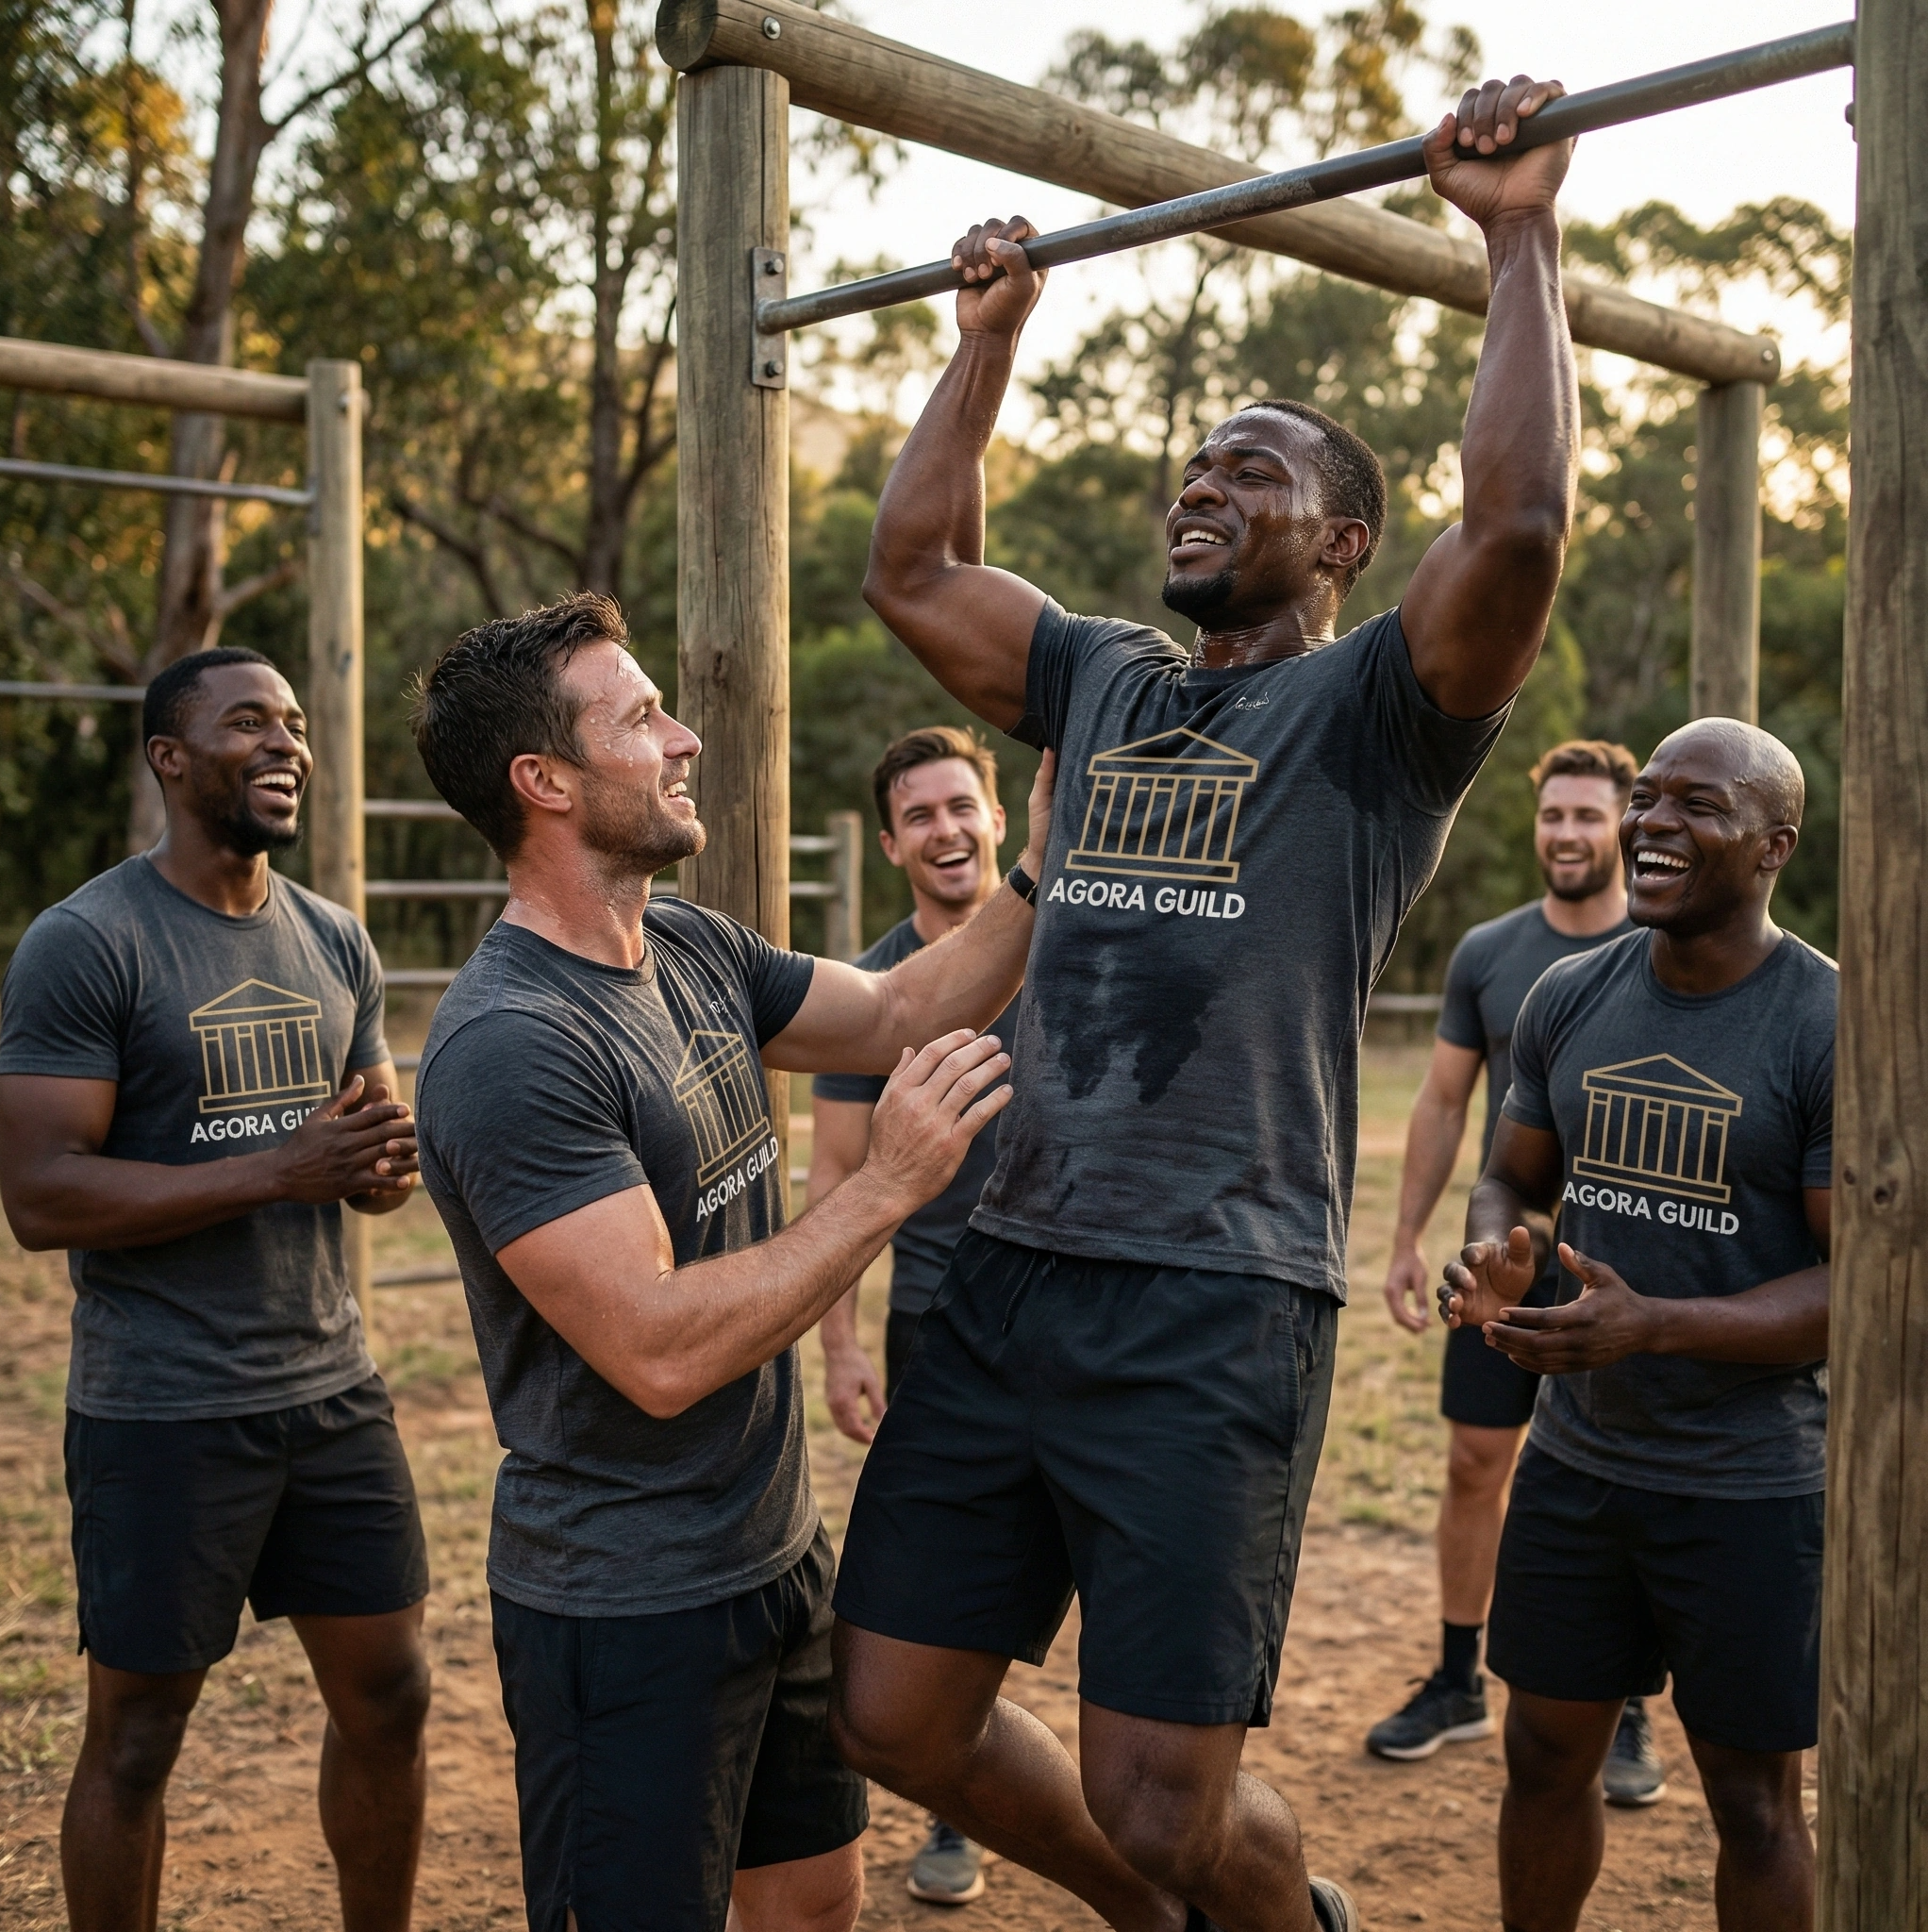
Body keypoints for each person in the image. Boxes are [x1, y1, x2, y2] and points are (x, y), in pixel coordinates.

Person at [832, 72, 1580, 1932]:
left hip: (1212, 1283)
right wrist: (983, 344)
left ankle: (1273, 1914)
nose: (1204, 480)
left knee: (1170, 1805)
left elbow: (1515, 530)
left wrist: (1516, 232)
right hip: (1006, 1262)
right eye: (1197, 459)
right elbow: (910, 565)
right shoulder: (1101, 677)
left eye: (1258, 468)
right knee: (895, 1708)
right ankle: (1154, 1909)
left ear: (1341, 545)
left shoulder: (1376, 718)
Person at [407, 595, 1053, 1932]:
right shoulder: (513, 1044)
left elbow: (905, 1005)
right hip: (623, 1604)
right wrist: (885, 1189)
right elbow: (655, 1348)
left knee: (814, 1900)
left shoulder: (690, 945)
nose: (686, 736)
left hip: (770, 1554)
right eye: (641, 718)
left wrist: (1047, 858)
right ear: (547, 783)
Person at [0, 647, 430, 1932]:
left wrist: (375, 1167)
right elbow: (43, 1198)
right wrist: (283, 1166)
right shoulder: (85, 944)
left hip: (331, 1390)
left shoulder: (336, 939)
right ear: (170, 760)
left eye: (295, 724)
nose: (286, 744)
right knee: (137, 1742)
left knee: (395, 1699)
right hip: (163, 1407)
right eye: (249, 723)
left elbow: (370, 1170)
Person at [1442, 718, 1831, 1932]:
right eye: (1646, 797)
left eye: (1693, 806)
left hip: (1750, 1484)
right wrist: (1498, 1251)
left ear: (1771, 845)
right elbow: (1510, 1174)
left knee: (1751, 1801)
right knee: (1542, 1757)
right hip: (1576, 1465)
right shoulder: (1569, 992)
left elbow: (1853, 1282)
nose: (1650, 822)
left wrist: (1650, 1322)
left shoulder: (1821, 1019)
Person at [1368, 739, 1665, 1806]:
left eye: (1589, 816)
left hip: (1627, 1273)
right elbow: (1444, 1099)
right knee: (1471, 1466)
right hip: (1506, 1261)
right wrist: (1406, 1239)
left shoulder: (1666, 949)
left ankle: (1626, 1708)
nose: (1568, 835)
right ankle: (1455, 1677)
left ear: (1626, 825)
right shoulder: (1492, 953)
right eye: (1553, 816)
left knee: (1622, 1484)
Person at [809, 725, 1022, 1907]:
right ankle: (958, 1807)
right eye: (920, 815)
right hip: (937, 1325)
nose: (946, 830)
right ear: (890, 842)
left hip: (1087, 1305)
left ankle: (1133, 1795)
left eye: (962, 805)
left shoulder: (1072, 941)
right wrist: (840, 1347)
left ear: (997, 815)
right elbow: (838, 1180)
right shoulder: (868, 994)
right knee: (950, 1580)